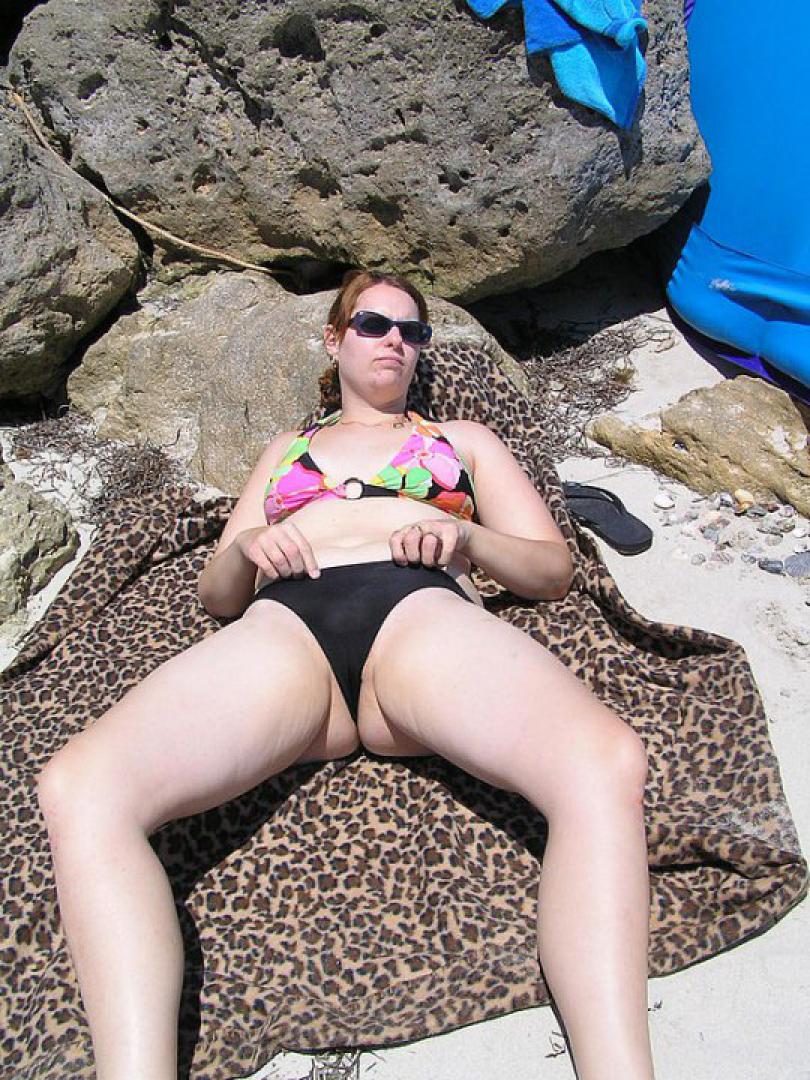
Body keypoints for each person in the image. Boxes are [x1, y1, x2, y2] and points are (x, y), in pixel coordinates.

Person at [37, 269, 655, 1080]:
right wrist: (247, 547)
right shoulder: (285, 453)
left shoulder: (461, 441)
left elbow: (550, 570)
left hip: (420, 617)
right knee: (78, 788)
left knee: (606, 762)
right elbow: (216, 595)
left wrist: (466, 537)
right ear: (334, 340)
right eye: (372, 324)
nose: (395, 340)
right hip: (286, 631)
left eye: (412, 330)